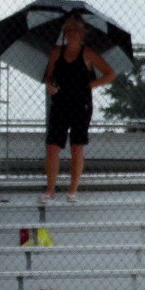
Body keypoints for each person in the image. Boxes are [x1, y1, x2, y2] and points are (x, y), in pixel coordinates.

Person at [40, 14, 117, 203]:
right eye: (69, 29)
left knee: (77, 146)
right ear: (64, 33)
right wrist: (49, 85)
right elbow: (48, 76)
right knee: (52, 147)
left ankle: (72, 190)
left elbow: (110, 74)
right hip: (59, 104)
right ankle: (50, 190)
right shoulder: (56, 52)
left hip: (81, 106)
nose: (73, 33)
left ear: (82, 33)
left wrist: (92, 85)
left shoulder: (88, 53)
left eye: (76, 29)